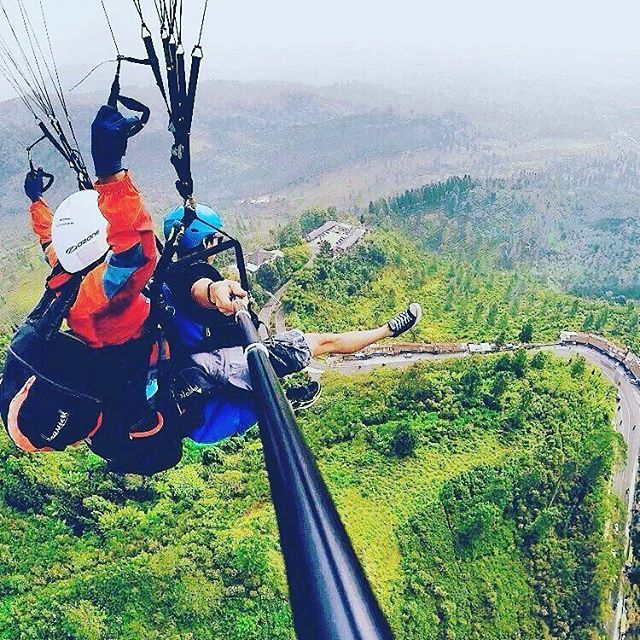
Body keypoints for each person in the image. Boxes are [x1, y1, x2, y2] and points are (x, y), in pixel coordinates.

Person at [9, 103, 183, 474]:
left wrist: (37, 203)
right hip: (146, 356)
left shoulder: (66, 280)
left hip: (121, 364)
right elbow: (134, 255)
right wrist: (110, 172)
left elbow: (50, 244)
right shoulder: (100, 293)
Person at [162, 206, 423, 445]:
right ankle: (388, 330)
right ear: (206, 241)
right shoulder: (191, 272)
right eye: (215, 241)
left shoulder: (169, 274)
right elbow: (199, 288)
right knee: (325, 342)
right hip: (223, 359)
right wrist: (215, 291)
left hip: (205, 360)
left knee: (262, 384)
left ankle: (282, 398)